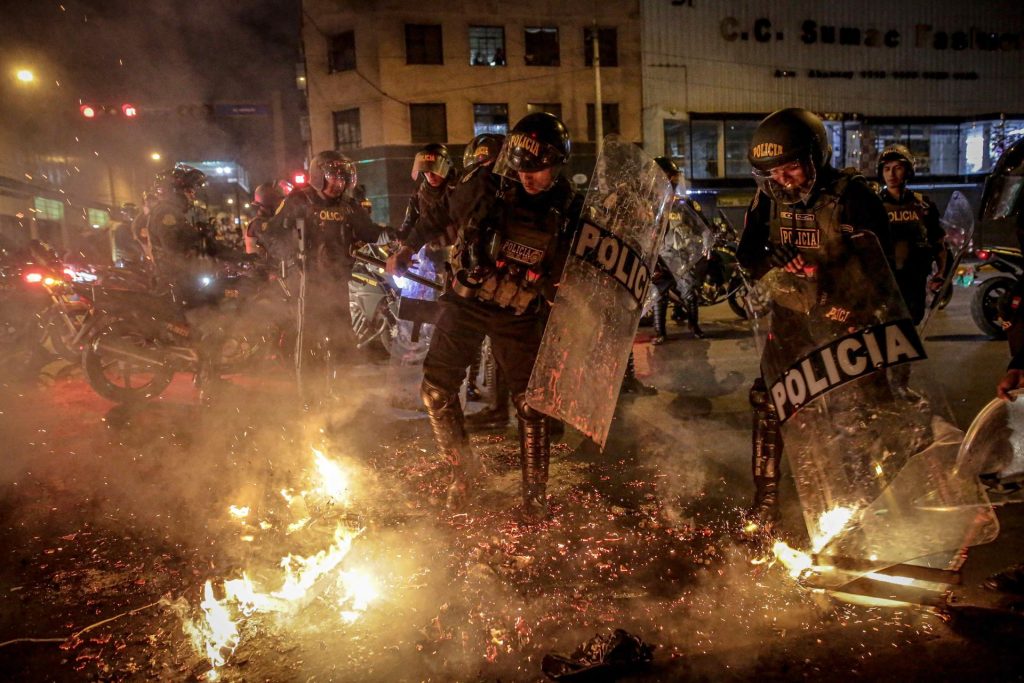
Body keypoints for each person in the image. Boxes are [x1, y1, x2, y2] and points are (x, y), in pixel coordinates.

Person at [412, 112, 583, 518]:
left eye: (539, 170)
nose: (528, 177)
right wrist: (407, 245)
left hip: (520, 313)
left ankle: (534, 498)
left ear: (558, 165)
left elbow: (580, 271)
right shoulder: (485, 184)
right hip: (467, 301)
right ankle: (463, 475)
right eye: (523, 167)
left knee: (531, 405)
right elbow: (439, 215)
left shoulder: (571, 210)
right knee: (435, 390)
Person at [736, 107, 892, 525]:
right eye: (773, 173)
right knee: (768, 400)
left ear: (815, 158)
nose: (783, 181)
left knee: (849, 413)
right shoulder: (768, 196)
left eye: (791, 169)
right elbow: (746, 254)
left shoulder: (852, 195)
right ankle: (765, 504)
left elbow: (883, 272)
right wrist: (769, 259)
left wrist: (836, 288)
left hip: (845, 322)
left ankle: (858, 509)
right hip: (789, 320)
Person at [266, 151, 383, 365]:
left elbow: (370, 232)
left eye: (344, 178)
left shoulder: (348, 204)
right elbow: (272, 233)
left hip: (336, 278)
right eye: (335, 177)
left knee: (342, 335)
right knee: (308, 335)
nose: (340, 183)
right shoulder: (299, 200)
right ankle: (310, 391)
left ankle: (343, 387)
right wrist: (292, 256)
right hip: (305, 279)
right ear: (319, 176)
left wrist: (401, 238)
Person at [876, 144, 947, 325]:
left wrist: (941, 272)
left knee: (913, 321)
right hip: (885, 280)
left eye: (897, 168)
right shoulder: (873, 204)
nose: (891, 174)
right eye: (887, 169)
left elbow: (938, 242)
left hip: (915, 279)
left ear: (908, 172)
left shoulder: (923, 205)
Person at [388, 143, 458, 278]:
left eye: (434, 170)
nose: (430, 175)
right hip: (428, 256)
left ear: (446, 167)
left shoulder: (458, 188)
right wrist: (400, 245)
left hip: (456, 253)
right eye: (425, 171)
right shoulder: (420, 193)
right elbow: (409, 222)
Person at [146, 164, 209, 292]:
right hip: (176, 284)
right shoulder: (166, 213)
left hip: (183, 280)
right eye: (190, 191)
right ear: (175, 191)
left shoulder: (175, 213)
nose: (193, 196)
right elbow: (173, 250)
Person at [245, 180, 289, 256]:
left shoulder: (270, 221)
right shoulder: (257, 224)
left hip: (273, 265)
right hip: (262, 266)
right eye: (279, 202)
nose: (280, 206)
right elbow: (273, 242)